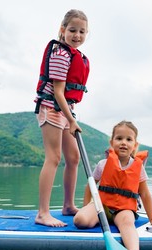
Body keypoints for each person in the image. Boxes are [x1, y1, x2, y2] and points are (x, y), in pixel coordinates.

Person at [73, 121, 152, 250]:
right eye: (119, 138)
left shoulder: (138, 168)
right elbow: (90, 187)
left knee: (127, 223)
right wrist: (87, 207)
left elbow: (145, 194)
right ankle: (96, 217)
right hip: (102, 206)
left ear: (135, 145)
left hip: (124, 209)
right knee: (80, 220)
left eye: (128, 139)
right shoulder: (103, 164)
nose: (123, 143)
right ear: (112, 142)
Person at [34, 9, 90, 227]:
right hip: (51, 108)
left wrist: (71, 118)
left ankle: (68, 205)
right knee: (54, 158)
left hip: (64, 111)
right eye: (73, 30)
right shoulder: (60, 54)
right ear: (62, 30)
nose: (77, 35)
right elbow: (58, 92)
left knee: (73, 158)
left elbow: (66, 96)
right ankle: (43, 213)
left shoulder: (75, 55)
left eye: (82, 32)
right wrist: (72, 120)